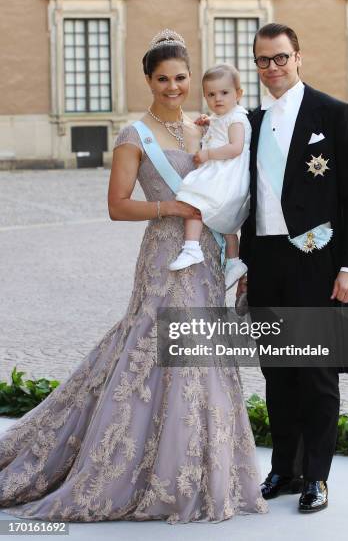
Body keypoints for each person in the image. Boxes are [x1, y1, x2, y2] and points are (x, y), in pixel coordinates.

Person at [0, 30, 268, 524]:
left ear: (192, 79)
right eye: (163, 78)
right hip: (166, 255)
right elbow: (117, 206)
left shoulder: (203, 129)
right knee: (152, 346)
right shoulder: (134, 135)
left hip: (206, 256)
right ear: (148, 79)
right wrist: (171, 206)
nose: (173, 86)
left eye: (181, 78)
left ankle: (205, 470)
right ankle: (142, 470)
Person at [236, 23, 348, 513]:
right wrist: (243, 262)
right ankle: (285, 470)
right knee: (278, 371)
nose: (271, 68)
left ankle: (317, 476)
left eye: (280, 58)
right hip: (267, 261)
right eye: (262, 60)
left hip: (319, 261)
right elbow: (243, 199)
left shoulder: (334, 114)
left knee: (316, 372)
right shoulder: (249, 122)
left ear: (298, 57)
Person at [169, 63, 250, 290]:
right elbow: (218, 127)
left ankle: (192, 247)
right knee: (227, 224)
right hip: (224, 173)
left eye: (224, 93)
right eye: (211, 94)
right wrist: (209, 122)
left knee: (193, 197)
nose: (218, 99)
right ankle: (234, 262)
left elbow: (235, 147)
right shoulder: (222, 117)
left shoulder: (237, 119)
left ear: (239, 94)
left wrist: (207, 154)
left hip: (227, 173)